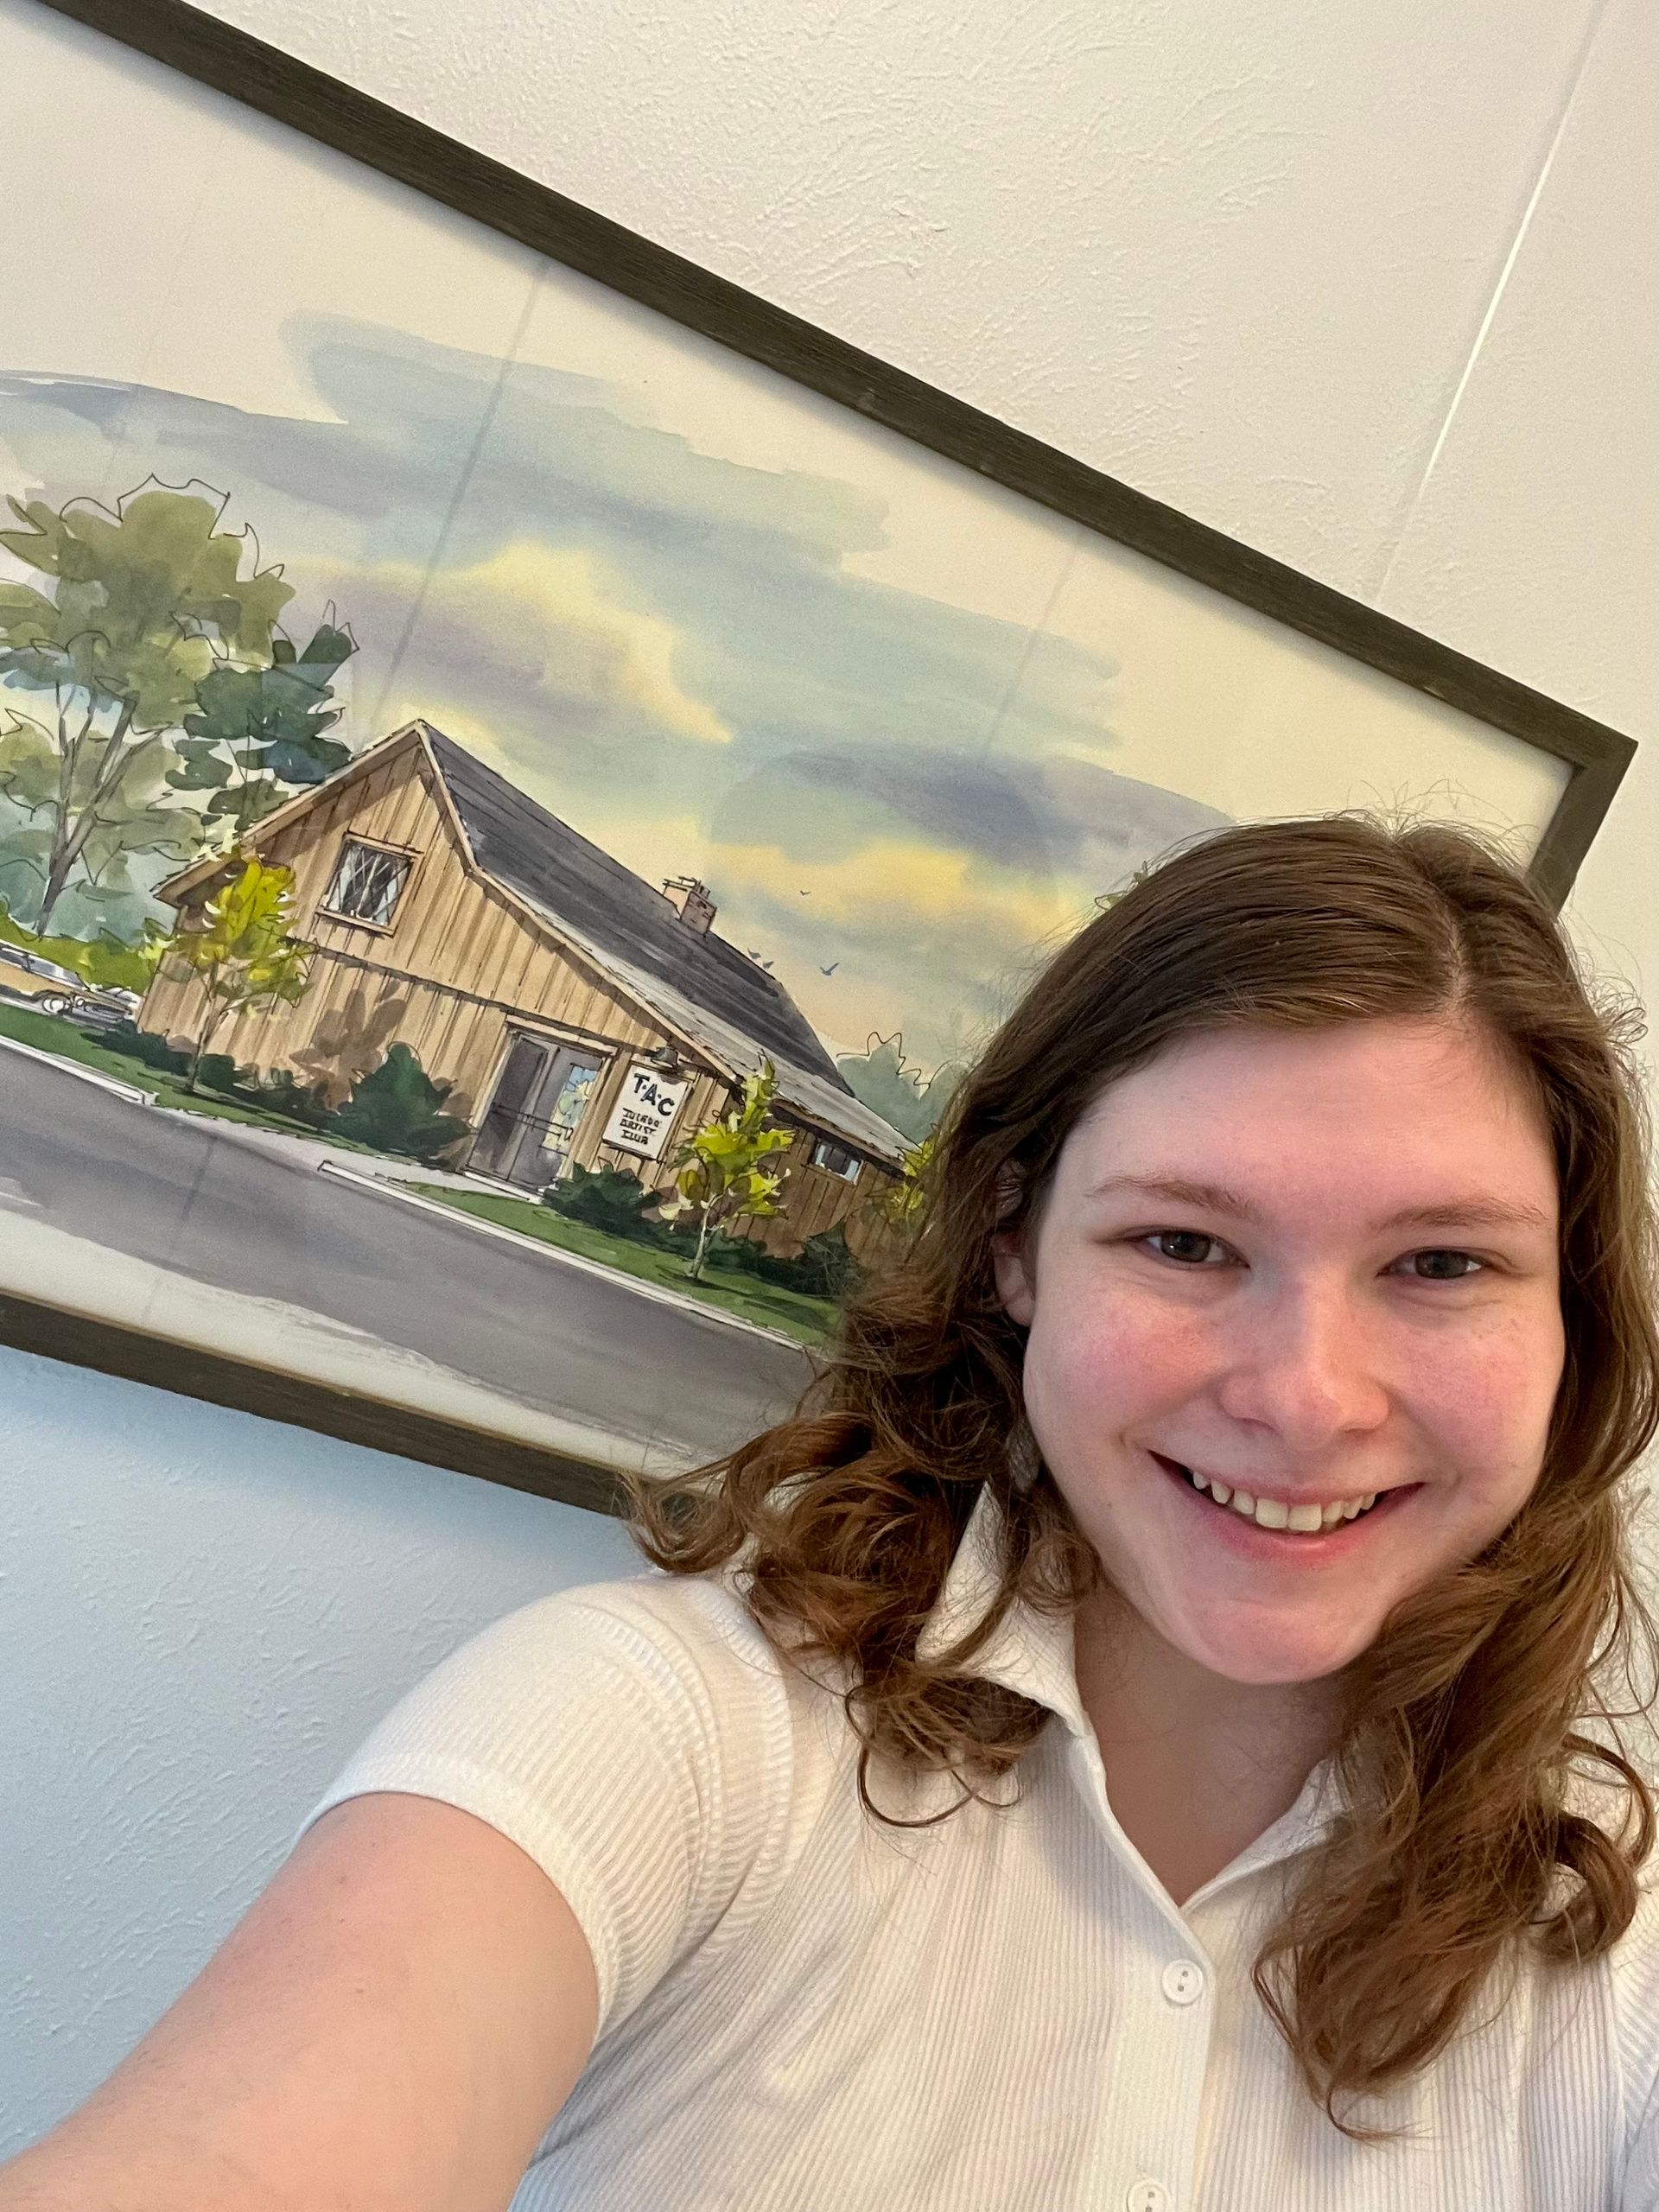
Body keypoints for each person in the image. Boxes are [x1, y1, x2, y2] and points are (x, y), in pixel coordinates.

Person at [5, 812, 1658, 2212]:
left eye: (1442, 1265)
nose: (1308, 1395)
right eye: (1184, 1244)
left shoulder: (1613, 1936)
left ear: (1571, 1309)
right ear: (1013, 1248)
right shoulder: (659, 1732)